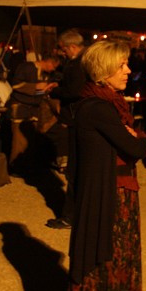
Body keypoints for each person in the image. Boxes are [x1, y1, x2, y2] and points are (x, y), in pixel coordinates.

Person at [65, 39, 146, 291]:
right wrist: (137, 138)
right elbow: (137, 145)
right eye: (122, 65)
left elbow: (134, 140)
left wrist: (135, 137)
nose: (128, 71)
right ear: (103, 70)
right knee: (99, 271)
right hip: (106, 200)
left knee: (118, 270)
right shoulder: (97, 108)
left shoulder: (111, 104)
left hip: (120, 198)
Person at [46, 30, 88, 230]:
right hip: (78, 118)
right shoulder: (84, 62)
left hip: (75, 118)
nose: (62, 53)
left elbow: (74, 91)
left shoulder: (78, 64)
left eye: (63, 49)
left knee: (74, 170)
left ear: (71, 47)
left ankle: (70, 216)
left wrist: (55, 90)